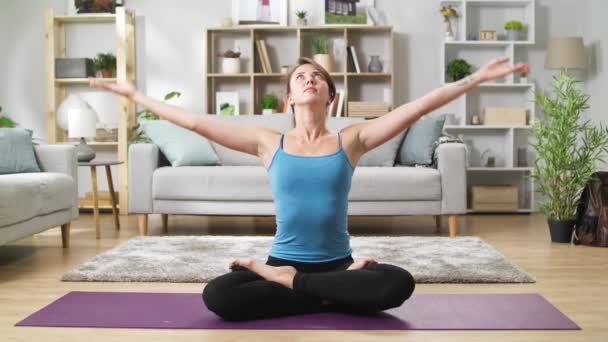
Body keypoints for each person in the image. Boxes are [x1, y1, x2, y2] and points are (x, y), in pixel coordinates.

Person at [90, 56, 528, 321]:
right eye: (301, 77)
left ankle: (290, 285)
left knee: (398, 284)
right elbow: (194, 121)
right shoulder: (268, 142)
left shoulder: (351, 139)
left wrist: (472, 81)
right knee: (218, 295)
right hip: (293, 262)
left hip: (339, 263)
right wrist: (134, 95)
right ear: (289, 100)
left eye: (318, 77)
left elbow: (416, 107)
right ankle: (320, 291)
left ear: (329, 97)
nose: (310, 80)